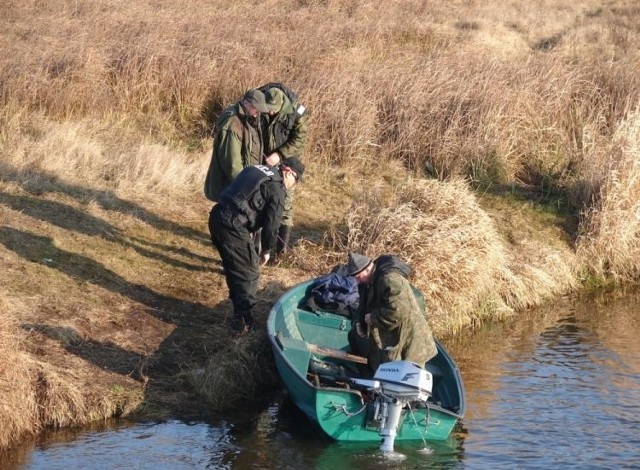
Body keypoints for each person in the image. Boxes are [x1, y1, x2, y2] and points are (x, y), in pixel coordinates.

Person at [208, 157, 305, 333]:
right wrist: (267, 250)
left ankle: (238, 311)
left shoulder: (258, 169)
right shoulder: (277, 188)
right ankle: (242, 321)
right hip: (232, 225)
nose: (294, 185)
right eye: (296, 179)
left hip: (216, 215)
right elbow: (272, 224)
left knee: (235, 267)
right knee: (250, 271)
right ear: (288, 172)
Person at [346, 252, 437, 374]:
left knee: (409, 375)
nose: (356, 281)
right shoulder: (369, 282)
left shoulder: (389, 279)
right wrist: (360, 323)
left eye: (358, 277)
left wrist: (373, 318)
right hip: (393, 333)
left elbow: (399, 311)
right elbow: (365, 306)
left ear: (367, 269)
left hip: (409, 336)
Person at [258, 83, 309, 256]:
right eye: (268, 109)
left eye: (274, 110)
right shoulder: (258, 103)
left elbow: (300, 139)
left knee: (286, 205)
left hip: (286, 161)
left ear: (282, 105)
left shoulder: (297, 113)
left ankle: (281, 252)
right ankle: (259, 246)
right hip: (261, 160)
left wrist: (280, 155)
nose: (270, 113)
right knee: (262, 202)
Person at [204, 88, 270, 203]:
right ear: (246, 103)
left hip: (242, 185)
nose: (257, 113)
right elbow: (232, 164)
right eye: (256, 109)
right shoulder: (233, 124)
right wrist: (245, 188)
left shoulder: (249, 120)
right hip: (232, 188)